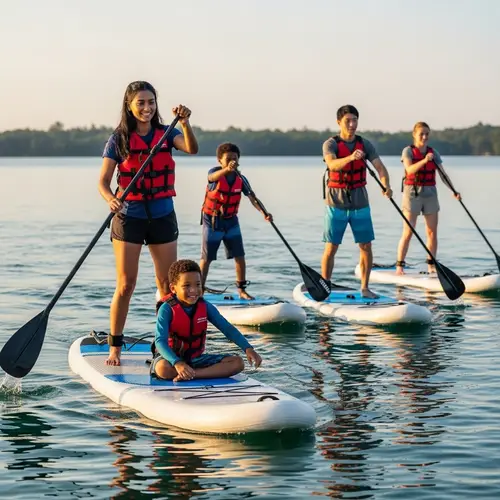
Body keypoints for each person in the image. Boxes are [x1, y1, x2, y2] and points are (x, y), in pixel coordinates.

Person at [98, 81, 198, 366]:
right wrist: (110, 199)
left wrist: (187, 123)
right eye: (140, 103)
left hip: (163, 215)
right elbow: (103, 182)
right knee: (126, 284)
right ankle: (115, 346)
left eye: (151, 102)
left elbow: (191, 148)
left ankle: (162, 347)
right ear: (129, 105)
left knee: (167, 284)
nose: (146, 108)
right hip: (129, 216)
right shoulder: (119, 139)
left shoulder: (168, 133)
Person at [321, 105, 393, 299]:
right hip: (336, 200)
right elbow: (332, 164)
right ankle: (325, 286)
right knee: (331, 246)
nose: (352, 125)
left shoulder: (365, 144)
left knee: (366, 246)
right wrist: (351, 157)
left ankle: (365, 288)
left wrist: (386, 185)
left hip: (360, 200)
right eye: (348, 121)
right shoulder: (331, 144)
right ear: (339, 122)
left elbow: (380, 167)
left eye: (355, 121)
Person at [151, 259, 263, 382]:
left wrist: (247, 348)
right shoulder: (166, 309)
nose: (193, 290)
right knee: (162, 369)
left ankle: (192, 374)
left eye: (198, 285)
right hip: (170, 359)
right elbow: (160, 342)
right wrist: (177, 363)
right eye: (187, 286)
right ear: (173, 288)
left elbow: (227, 328)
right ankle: (186, 371)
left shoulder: (205, 306)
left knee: (238, 363)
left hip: (196, 359)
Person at [199, 143, 272, 300]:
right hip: (212, 221)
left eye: (235, 158)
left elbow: (252, 198)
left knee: (240, 256)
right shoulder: (214, 172)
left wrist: (264, 213)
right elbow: (211, 178)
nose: (232, 161)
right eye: (228, 159)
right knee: (207, 259)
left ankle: (242, 290)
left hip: (231, 221)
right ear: (220, 160)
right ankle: (199, 290)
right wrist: (227, 170)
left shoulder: (241, 179)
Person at [396, 122, 461, 275]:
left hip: (430, 193)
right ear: (414, 135)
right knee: (408, 232)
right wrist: (425, 160)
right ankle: (400, 266)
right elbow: (409, 170)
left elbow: (443, 175)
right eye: (421, 134)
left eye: (427, 134)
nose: (424, 137)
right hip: (412, 193)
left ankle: (431, 266)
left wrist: (454, 190)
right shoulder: (408, 151)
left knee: (432, 232)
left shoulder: (434, 152)